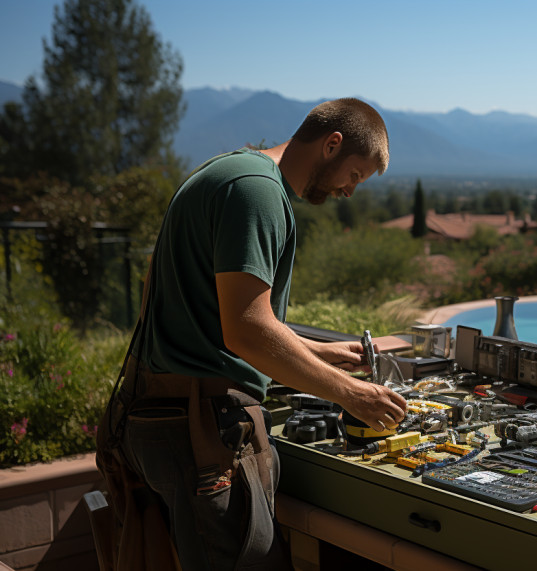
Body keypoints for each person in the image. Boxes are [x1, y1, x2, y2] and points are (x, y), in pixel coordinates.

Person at [96, 98, 408, 571]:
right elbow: (246, 330)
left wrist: (317, 352)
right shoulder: (258, 193)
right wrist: (352, 394)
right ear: (332, 144)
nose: (350, 190)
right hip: (198, 429)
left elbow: (217, 312)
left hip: (158, 414)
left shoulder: (233, 171)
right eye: (356, 175)